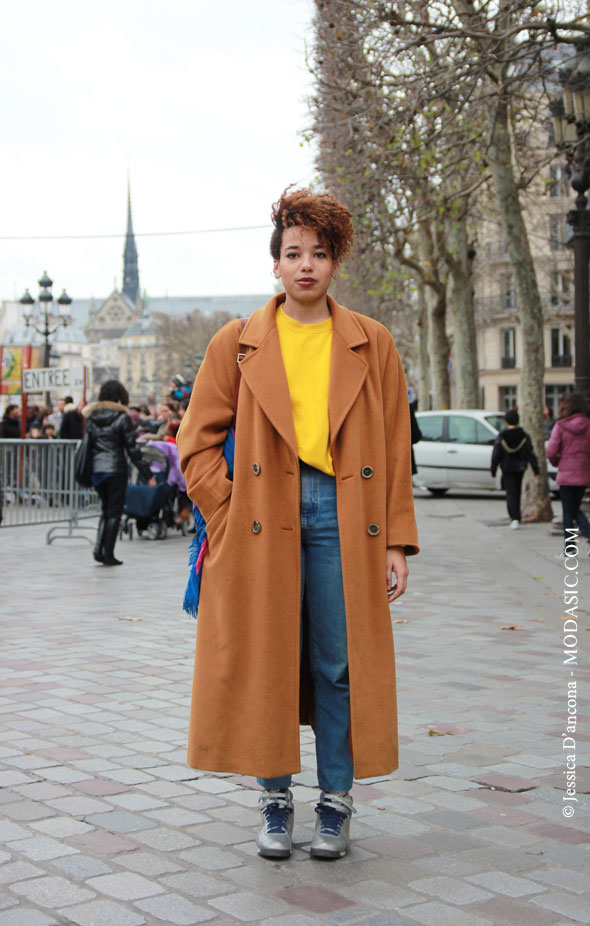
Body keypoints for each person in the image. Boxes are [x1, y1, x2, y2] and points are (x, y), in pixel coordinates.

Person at [177, 187, 419, 861]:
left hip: (348, 518)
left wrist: (398, 538)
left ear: (335, 261)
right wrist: (226, 513)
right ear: (275, 265)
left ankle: (336, 803)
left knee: (338, 665)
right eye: (292, 253)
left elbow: (396, 445)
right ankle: (275, 801)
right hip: (262, 516)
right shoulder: (238, 342)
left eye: (318, 252)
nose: (305, 264)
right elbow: (195, 442)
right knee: (269, 662)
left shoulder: (374, 343)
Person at [83, 380, 155, 566]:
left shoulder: (92, 417)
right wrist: (148, 474)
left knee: (105, 509)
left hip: (97, 470)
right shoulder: (122, 417)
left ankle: (99, 549)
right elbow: (132, 449)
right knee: (114, 511)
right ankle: (108, 553)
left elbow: (88, 446)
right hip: (115, 469)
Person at [546, 392, 590, 554]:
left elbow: (551, 450)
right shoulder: (588, 425)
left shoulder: (561, 425)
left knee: (568, 511)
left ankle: (570, 548)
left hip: (566, 474)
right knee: (574, 508)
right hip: (583, 473)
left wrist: (557, 462)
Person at [491, 408, 539, 528]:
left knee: (511, 492)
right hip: (520, 468)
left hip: (507, 468)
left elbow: (496, 454)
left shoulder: (502, 436)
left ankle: (514, 517)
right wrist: (536, 470)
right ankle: (517, 516)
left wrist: (493, 468)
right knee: (517, 491)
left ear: (506, 421)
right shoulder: (523, 435)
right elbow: (530, 453)